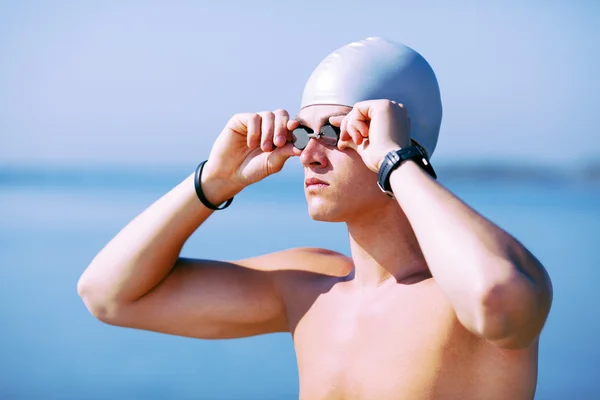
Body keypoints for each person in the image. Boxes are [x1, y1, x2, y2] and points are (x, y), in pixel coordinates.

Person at [78, 37, 553, 399]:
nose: (310, 155)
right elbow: (107, 296)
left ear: (404, 142)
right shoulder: (310, 288)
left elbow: (498, 298)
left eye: (337, 130)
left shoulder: (465, 293)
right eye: (304, 133)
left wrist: (394, 161)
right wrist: (214, 182)